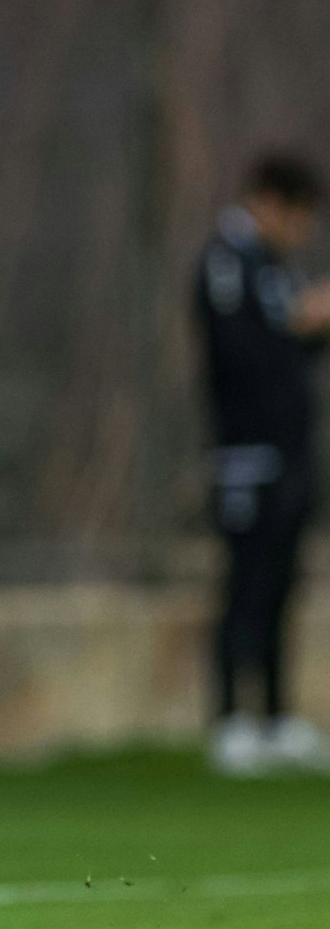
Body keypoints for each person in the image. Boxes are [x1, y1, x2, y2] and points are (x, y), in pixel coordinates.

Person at [193, 152, 330, 774]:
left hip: (289, 453)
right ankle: (230, 721)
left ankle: (274, 718)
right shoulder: (227, 260)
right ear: (271, 203)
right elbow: (241, 355)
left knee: (280, 585)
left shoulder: (271, 268)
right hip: (246, 455)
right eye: (299, 217)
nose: (301, 233)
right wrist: (297, 327)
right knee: (244, 584)